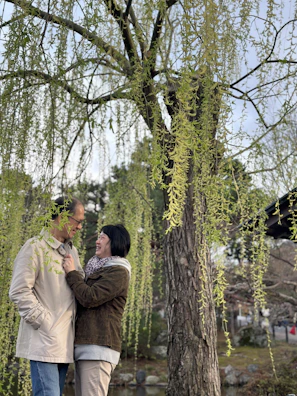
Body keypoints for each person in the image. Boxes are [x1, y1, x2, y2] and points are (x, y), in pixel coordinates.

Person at [9, 196, 85, 396]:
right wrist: (44, 322)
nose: (80, 227)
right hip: (45, 342)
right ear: (61, 217)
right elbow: (18, 291)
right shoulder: (35, 247)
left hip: (65, 344)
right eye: (78, 221)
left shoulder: (72, 252)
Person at [62, 223, 131, 396]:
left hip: (99, 347)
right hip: (86, 346)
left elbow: (89, 297)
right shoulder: (97, 268)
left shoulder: (118, 272)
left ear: (113, 242)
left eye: (102, 237)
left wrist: (71, 273)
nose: (98, 241)